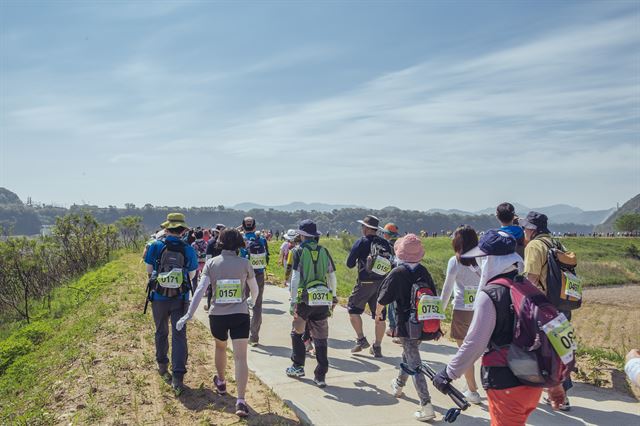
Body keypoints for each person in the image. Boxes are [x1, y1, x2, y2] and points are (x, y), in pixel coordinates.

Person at [432, 229, 566, 425]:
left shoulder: (491, 295)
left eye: (481, 258)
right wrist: (556, 383)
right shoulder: (529, 288)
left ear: (489, 260)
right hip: (533, 381)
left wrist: (448, 373)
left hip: (506, 382)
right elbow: (551, 336)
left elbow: (475, 342)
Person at [176, 228, 259, 417]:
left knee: (220, 348)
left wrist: (189, 314)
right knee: (240, 358)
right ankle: (240, 400)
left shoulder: (211, 263)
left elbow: (200, 291)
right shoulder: (245, 263)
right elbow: (254, 290)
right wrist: (251, 303)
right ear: (239, 243)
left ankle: (221, 382)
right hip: (240, 315)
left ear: (220, 242)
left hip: (217, 316)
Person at [375, 234, 440, 422]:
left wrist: (378, 315)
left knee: (415, 364)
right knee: (409, 354)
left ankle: (426, 404)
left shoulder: (398, 272)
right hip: (423, 323)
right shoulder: (424, 271)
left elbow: (382, 298)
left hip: (406, 324)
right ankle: (398, 384)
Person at [520, 211, 572, 411]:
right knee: (560, 348)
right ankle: (560, 392)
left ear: (532, 229)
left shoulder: (534, 245)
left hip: (544, 306)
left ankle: (557, 395)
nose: (524, 231)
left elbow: (531, 278)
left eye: (525, 227)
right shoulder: (557, 243)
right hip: (562, 303)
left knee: (542, 350)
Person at [144, 213, 198, 394]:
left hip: (159, 297)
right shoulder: (188, 249)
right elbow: (191, 275)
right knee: (179, 335)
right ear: (183, 230)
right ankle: (178, 375)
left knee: (161, 330)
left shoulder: (155, 246)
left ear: (166, 228)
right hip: (180, 298)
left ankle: (161, 364)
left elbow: (150, 271)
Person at [285, 220, 338, 387]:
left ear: (302, 235)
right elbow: (332, 276)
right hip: (322, 296)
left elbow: (295, 278)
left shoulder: (297, 251)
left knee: (297, 330)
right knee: (321, 336)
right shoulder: (324, 251)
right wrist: (333, 296)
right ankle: (321, 374)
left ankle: (297, 365)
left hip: (304, 297)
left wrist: (294, 300)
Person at [439, 225, 482, 404]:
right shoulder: (483, 258)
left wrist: (439, 311)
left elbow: (447, 288)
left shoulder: (454, 260)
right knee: (483, 351)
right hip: (482, 309)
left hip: (462, 311)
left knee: (464, 352)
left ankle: (472, 390)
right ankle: (479, 386)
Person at [346, 215, 392, 357]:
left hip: (364, 283)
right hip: (382, 284)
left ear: (366, 228)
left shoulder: (361, 242)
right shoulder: (385, 243)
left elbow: (350, 263)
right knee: (380, 315)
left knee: (353, 310)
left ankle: (361, 339)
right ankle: (377, 346)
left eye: (362, 227)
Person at [239, 217, 270, 346]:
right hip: (258, 274)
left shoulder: (241, 239)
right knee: (257, 305)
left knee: (242, 303)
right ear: (255, 227)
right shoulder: (262, 239)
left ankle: (242, 333)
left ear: (243, 226)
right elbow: (267, 257)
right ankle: (254, 336)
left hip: (243, 275)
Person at [380, 223, 401, 343]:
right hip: (402, 278)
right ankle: (395, 328)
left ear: (387, 234)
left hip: (392, 277)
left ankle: (394, 329)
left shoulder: (388, 245)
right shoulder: (400, 243)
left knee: (393, 305)